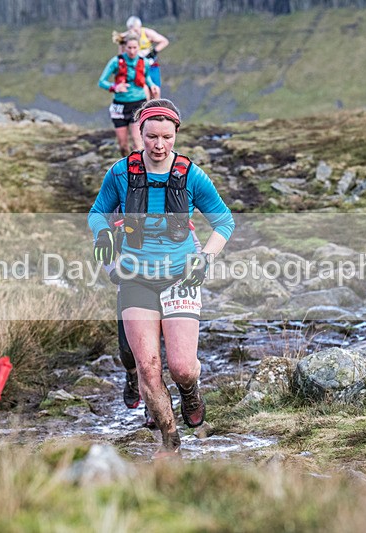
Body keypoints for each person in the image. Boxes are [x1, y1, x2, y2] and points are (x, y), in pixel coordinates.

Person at [89, 99, 235, 457]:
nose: (159, 145)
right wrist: (103, 235)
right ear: (139, 133)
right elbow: (97, 213)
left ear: (176, 134)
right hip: (136, 278)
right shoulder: (120, 173)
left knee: (182, 367)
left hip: (180, 276)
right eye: (151, 136)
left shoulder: (191, 175)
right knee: (148, 368)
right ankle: (170, 442)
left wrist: (205, 258)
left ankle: (189, 391)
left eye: (166, 137)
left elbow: (224, 222)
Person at [105, 211, 201, 430]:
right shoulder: (119, 201)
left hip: (173, 285)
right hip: (133, 287)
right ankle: (132, 376)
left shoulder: (170, 199)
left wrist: (196, 267)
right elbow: (102, 240)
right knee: (129, 351)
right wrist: (113, 271)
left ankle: (177, 395)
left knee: (173, 352)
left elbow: (193, 240)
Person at [97, 34, 157, 157]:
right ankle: (126, 164)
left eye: (135, 48)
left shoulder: (144, 62)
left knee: (138, 143)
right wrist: (115, 87)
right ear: (125, 47)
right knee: (123, 145)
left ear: (139, 47)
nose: (132, 51)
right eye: (129, 48)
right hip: (120, 106)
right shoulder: (116, 61)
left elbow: (146, 77)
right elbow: (101, 82)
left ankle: (139, 167)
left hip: (138, 103)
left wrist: (152, 85)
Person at [118, 16, 169, 94]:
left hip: (150, 65)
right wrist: (121, 43)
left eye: (136, 30)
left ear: (140, 27)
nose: (134, 33)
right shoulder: (126, 37)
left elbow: (164, 41)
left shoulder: (147, 33)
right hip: (136, 68)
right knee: (142, 91)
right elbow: (121, 55)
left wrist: (153, 53)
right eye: (131, 30)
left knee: (155, 90)